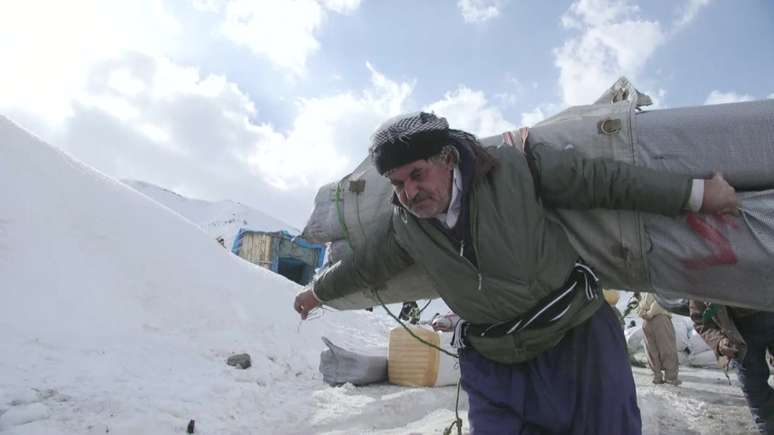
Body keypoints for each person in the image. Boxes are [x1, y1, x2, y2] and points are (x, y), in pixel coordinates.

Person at [294, 112, 737, 434]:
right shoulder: (405, 226)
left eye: (417, 174)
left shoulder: (516, 168)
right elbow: (366, 265)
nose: (410, 192)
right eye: (397, 183)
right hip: (494, 361)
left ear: (447, 158)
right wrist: (316, 293)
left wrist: (697, 194)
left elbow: (606, 181)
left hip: (575, 340)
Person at [689, 301, 774, 434]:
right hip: (739, 332)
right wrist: (719, 341)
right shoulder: (699, 282)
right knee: (755, 390)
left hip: (769, 311)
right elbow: (700, 319)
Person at [638, 292, 681, 385]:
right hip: (654, 319)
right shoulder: (653, 284)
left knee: (658, 349)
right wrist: (644, 312)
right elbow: (657, 301)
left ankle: (663, 376)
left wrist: (646, 312)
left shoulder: (648, 285)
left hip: (654, 318)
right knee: (659, 349)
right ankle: (665, 377)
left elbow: (657, 301)